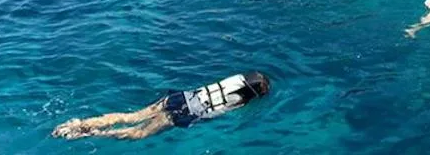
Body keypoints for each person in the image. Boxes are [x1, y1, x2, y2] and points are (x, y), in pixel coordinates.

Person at [52, 72, 270, 141]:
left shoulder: (237, 79)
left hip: (178, 98)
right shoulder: (241, 102)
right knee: (137, 134)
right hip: (185, 113)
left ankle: (81, 123)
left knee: (132, 116)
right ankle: (94, 134)